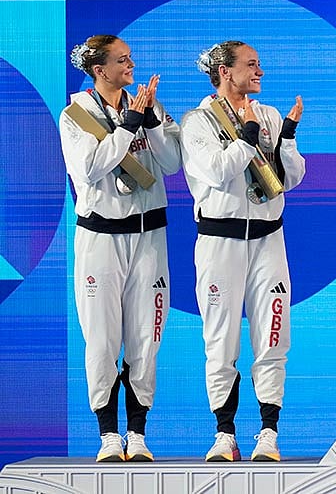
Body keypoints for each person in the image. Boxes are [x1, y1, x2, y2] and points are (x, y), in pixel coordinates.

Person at [181, 41, 305, 462]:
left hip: (269, 239)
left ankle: (269, 433)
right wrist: (248, 136)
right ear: (225, 71)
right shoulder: (197, 122)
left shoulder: (268, 114)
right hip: (220, 242)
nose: (260, 72)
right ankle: (224, 434)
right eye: (251, 65)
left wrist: (287, 138)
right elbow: (217, 172)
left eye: (259, 64)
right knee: (221, 340)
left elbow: (290, 180)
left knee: (273, 334)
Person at [59, 35, 182, 462]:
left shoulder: (148, 104)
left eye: (130, 58)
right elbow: (90, 168)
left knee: (147, 337)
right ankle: (108, 435)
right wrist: (128, 126)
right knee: (102, 338)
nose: (131, 65)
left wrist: (149, 121)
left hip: (150, 236)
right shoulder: (76, 115)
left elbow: (172, 164)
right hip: (101, 238)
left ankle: (138, 433)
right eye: (122, 60)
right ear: (100, 70)